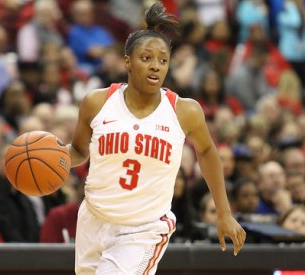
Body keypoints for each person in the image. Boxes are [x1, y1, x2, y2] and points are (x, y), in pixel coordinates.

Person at [65, 3, 245, 274]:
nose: (155, 66)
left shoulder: (184, 111)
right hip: (93, 218)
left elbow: (207, 153)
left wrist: (223, 212)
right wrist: (56, 156)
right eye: (146, 58)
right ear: (127, 61)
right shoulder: (96, 102)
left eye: (163, 60)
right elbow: (79, 151)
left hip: (144, 228)